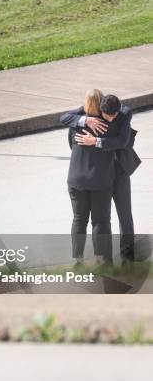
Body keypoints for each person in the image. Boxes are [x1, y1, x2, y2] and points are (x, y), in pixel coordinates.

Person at [61, 93, 141, 261]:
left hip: (118, 171)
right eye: (106, 115)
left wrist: (96, 141)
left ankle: (127, 259)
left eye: (113, 116)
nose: (110, 119)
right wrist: (85, 120)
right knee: (102, 219)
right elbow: (65, 117)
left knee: (123, 215)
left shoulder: (124, 113)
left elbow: (123, 141)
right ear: (99, 108)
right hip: (99, 176)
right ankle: (105, 258)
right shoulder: (90, 114)